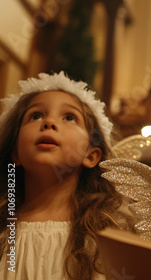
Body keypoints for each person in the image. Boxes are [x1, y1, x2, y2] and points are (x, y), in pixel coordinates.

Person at [0, 72, 135, 280]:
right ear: (15, 152)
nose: (49, 122)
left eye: (69, 118)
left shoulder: (106, 236)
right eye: (36, 115)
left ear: (91, 155)